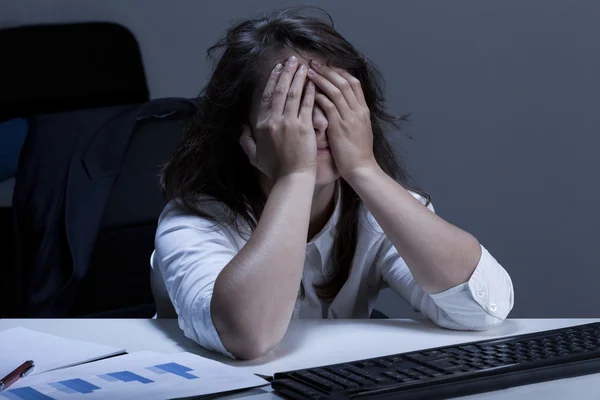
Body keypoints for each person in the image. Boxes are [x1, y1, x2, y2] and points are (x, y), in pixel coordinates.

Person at [150, 6, 514, 360]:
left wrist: (365, 169)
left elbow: (481, 310)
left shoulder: (376, 211)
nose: (320, 124)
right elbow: (247, 337)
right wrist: (295, 176)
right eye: (292, 106)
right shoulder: (192, 222)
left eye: (332, 101)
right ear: (243, 130)